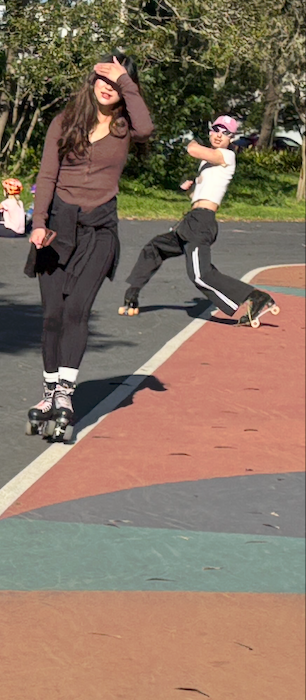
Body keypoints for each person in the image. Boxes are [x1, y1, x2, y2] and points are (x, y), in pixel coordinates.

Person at [25, 55, 152, 440]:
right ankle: (49, 393)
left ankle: (65, 392)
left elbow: (147, 128)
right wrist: (39, 223)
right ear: (91, 80)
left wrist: (126, 81)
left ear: (126, 87)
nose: (107, 87)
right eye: (103, 78)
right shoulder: (64, 121)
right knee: (53, 315)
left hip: (99, 230)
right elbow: (47, 174)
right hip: (57, 228)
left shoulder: (125, 126)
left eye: (116, 82)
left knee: (77, 310)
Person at [119, 115, 279, 326]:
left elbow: (193, 149)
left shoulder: (226, 155)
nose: (219, 135)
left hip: (202, 222)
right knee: (155, 247)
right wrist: (189, 189)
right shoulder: (207, 163)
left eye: (225, 133)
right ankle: (132, 293)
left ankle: (255, 297)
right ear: (211, 131)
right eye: (216, 130)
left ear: (231, 138)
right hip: (191, 221)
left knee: (200, 275)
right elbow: (199, 196)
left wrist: (191, 140)